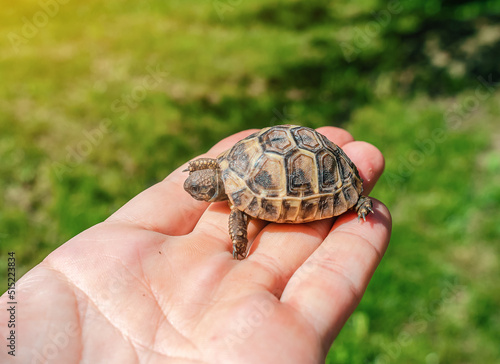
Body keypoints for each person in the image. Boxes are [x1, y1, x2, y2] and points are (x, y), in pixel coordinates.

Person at [0, 127, 391, 364]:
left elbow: (238, 217)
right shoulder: (228, 175)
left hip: (320, 175)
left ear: (215, 188)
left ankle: (350, 197)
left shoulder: (235, 195)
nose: (196, 192)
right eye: (200, 189)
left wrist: (239, 245)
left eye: (202, 191)